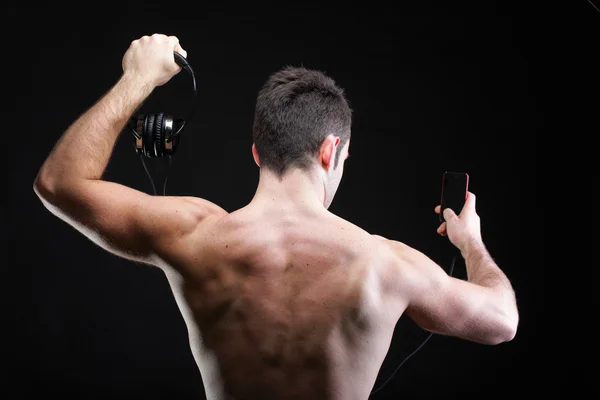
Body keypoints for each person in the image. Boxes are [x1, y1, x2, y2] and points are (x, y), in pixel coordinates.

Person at [33, 34, 519, 400]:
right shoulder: (385, 263)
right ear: (332, 151)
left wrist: (138, 77)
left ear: (256, 153)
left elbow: (59, 183)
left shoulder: (195, 236)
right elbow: (502, 320)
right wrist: (470, 242)